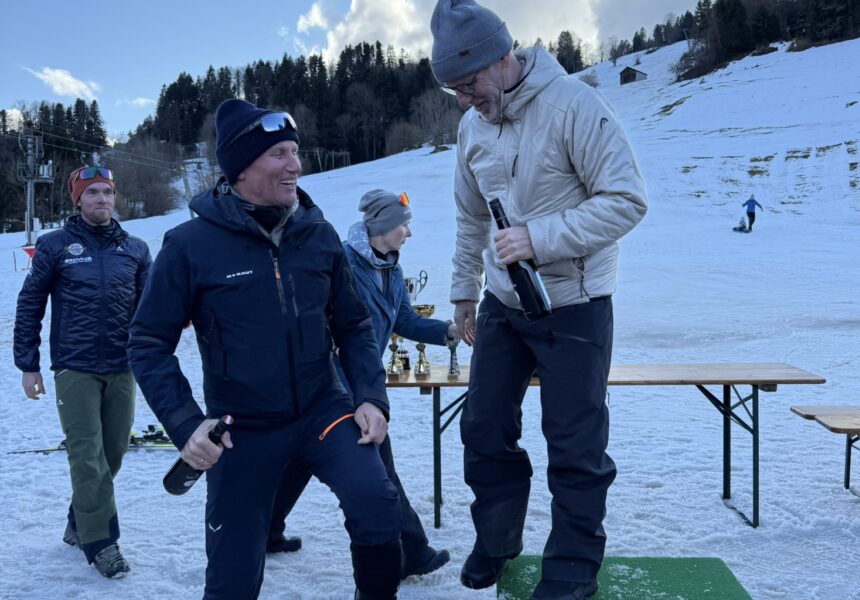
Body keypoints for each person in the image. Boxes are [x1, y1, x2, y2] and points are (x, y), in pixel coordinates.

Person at [127, 99, 401, 600]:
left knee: (377, 503)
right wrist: (186, 424)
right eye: (279, 153)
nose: (295, 164)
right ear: (241, 167)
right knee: (231, 578)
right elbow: (147, 343)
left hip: (323, 410)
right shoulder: (189, 245)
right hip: (242, 429)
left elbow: (354, 325)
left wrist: (370, 396)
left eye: (294, 151)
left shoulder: (318, 234)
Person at [429, 1, 648, 599]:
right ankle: (498, 540)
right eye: (453, 90)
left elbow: (627, 200)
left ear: (502, 58)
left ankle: (573, 567)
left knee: (575, 443)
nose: (464, 101)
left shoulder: (574, 106)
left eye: (469, 84)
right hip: (503, 304)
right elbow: (470, 218)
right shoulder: (472, 128)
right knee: (483, 428)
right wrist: (463, 294)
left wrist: (539, 238)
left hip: (576, 302)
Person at [268, 189, 457, 578]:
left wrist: (449, 332)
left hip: (361, 380)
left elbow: (404, 321)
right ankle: (412, 551)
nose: (409, 233)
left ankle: (265, 530)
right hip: (334, 380)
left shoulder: (391, 269)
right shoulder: (343, 262)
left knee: (301, 459)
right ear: (384, 225)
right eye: (404, 225)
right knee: (379, 461)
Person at [14, 166, 152, 578]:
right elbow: (30, 303)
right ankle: (101, 542)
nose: (101, 199)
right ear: (77, 201)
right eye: (92, 193)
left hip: (122, 365)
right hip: (74, 366)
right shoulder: (55, 245)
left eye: (107, 192)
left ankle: (79, 521)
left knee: (113, 452)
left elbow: (152, 308)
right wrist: (28, 365)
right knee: (86, 455)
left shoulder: (136, 249)